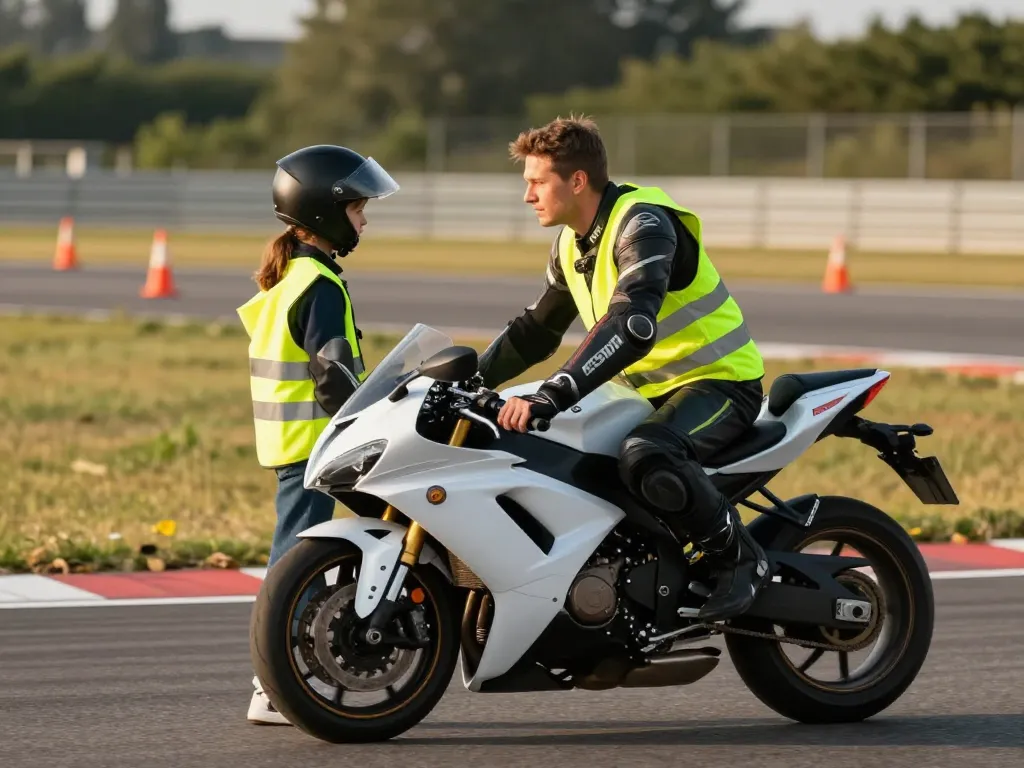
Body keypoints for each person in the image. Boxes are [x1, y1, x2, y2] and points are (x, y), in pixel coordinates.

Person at [477, 116, 771, 623]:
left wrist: (553, 394)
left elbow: (633, 323)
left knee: (647, 453)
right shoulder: (571, 244)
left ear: (577, 181)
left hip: (719, 383)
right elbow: (536, 331)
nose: (528, 196)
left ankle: (740, 558)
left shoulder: (644, 222)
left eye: (536, 182)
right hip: (646, 394)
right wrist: (467, 381)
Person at [235, 144, 399, 725]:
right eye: (357, 209)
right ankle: (274, 687)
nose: (364, 219)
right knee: (295, 568)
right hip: (315, 447)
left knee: (298, 562)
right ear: (327, 212)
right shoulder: (318, 284)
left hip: (293, 447)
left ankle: (283, 677)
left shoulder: (292, 277)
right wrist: (370, 417)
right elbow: (332, 372)